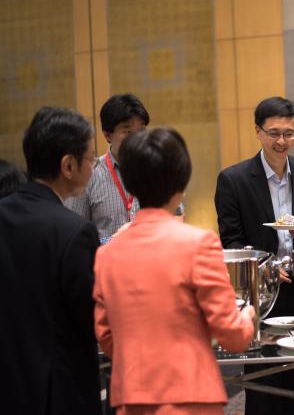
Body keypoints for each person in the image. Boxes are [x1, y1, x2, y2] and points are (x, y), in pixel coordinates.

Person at [94, 127, 255, 415]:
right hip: (191, 398)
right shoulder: (199, 244)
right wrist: (248, 316)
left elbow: (106, 337)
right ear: (181, 181)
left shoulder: (106, 255)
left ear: (130, 183)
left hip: (132, 399)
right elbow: (232, 336)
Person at [215, 96, 294, 415]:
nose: (281, 141)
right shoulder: (234, 180)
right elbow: (231, 242)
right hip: (260, 294)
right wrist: (264, 266)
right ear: (258, 132)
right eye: (274, 133)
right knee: (264, 386)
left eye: (289, 133)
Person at [0, 107, 101, 414]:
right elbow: (90, 319)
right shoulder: (74, 231)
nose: (94, 166)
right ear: (68, 165)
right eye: (90, 159)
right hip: (58, 393)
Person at [65, 93, 150, 242]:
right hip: (106, 256)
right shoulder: (89, 175)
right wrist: (112, 241)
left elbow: (176, 217)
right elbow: (74, 234)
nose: (137, 139)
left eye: (141, 131)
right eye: (128, 132)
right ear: (108, 135)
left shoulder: (156, 168)